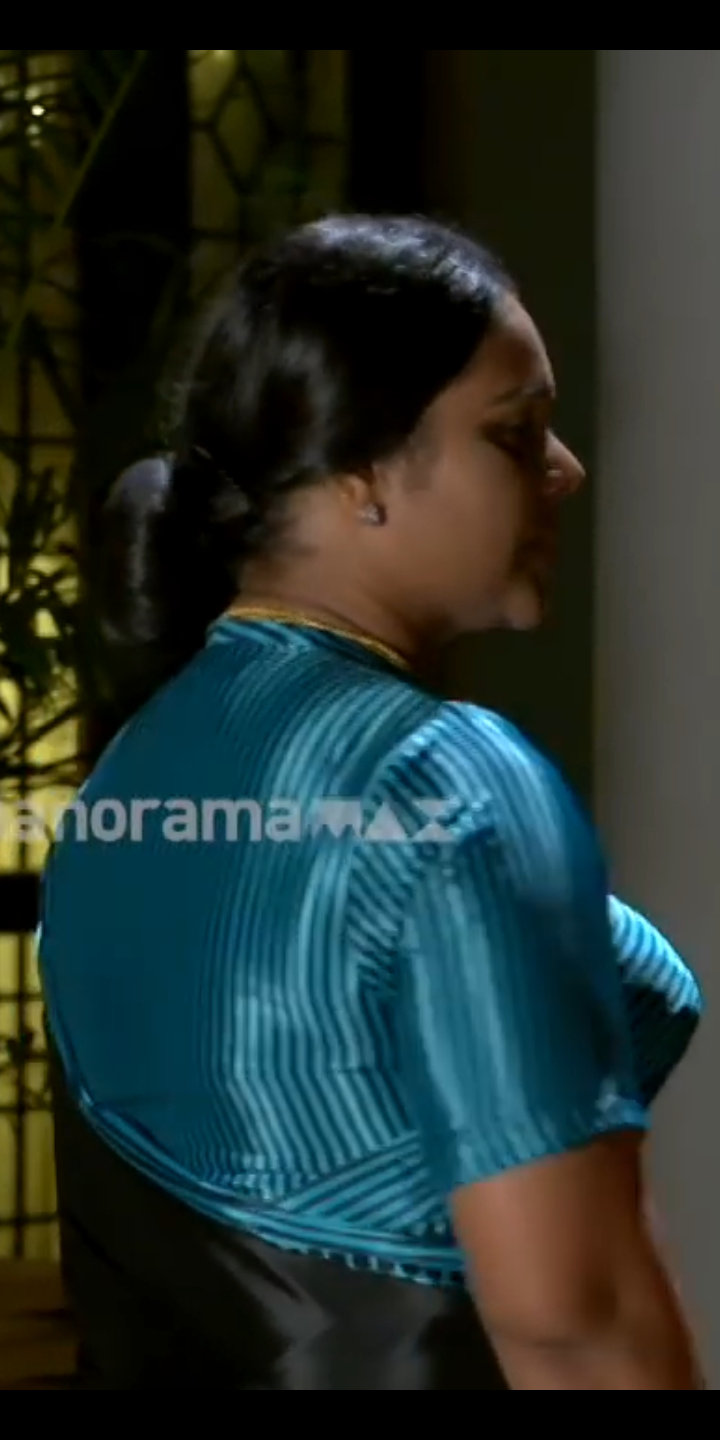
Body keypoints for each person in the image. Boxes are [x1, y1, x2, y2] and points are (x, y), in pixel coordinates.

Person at [38, 214, 705, 1390]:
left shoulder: (121, 785)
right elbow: (575, 1324)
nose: (565, 470)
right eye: (515, 433)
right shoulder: (445, 778)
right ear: (363, 476)